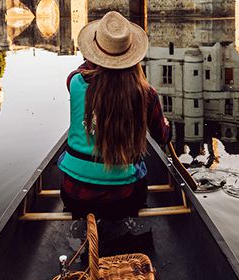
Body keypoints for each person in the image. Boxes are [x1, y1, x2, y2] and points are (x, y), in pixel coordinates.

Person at [56, 11, 171, 220]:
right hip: (123, 199)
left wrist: (93, 56)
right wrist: (166, 125)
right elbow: (162, 137)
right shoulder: (147, 94)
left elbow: (84, 71)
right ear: (132, 55)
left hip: (74, 196)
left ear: (91, 55)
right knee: (138, 177)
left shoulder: (73, 81)